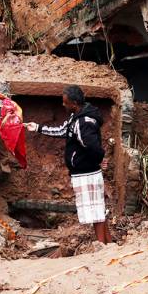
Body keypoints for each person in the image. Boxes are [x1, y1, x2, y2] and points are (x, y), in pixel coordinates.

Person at [26, 85, 113, 243]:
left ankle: (101, 246)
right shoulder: (76, 117)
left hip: (88, 174)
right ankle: (108, 243)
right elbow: (62, 131)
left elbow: (92, 145)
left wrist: (99, 160)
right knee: (97, 209)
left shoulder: (83, 122)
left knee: (95, 212)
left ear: (73, 103)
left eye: (65, 102)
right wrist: (37, 128)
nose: (63, 105)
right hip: (85, 173)